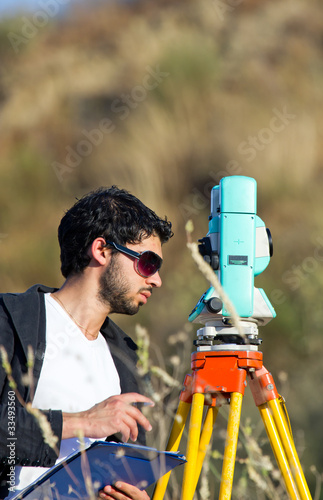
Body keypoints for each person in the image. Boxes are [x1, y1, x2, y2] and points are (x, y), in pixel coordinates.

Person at [0, 186, 173, 499]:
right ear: (102, 251)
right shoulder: (10, 321)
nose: (156, 280)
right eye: (148, 263)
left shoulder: (124, 359)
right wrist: (83, 422)